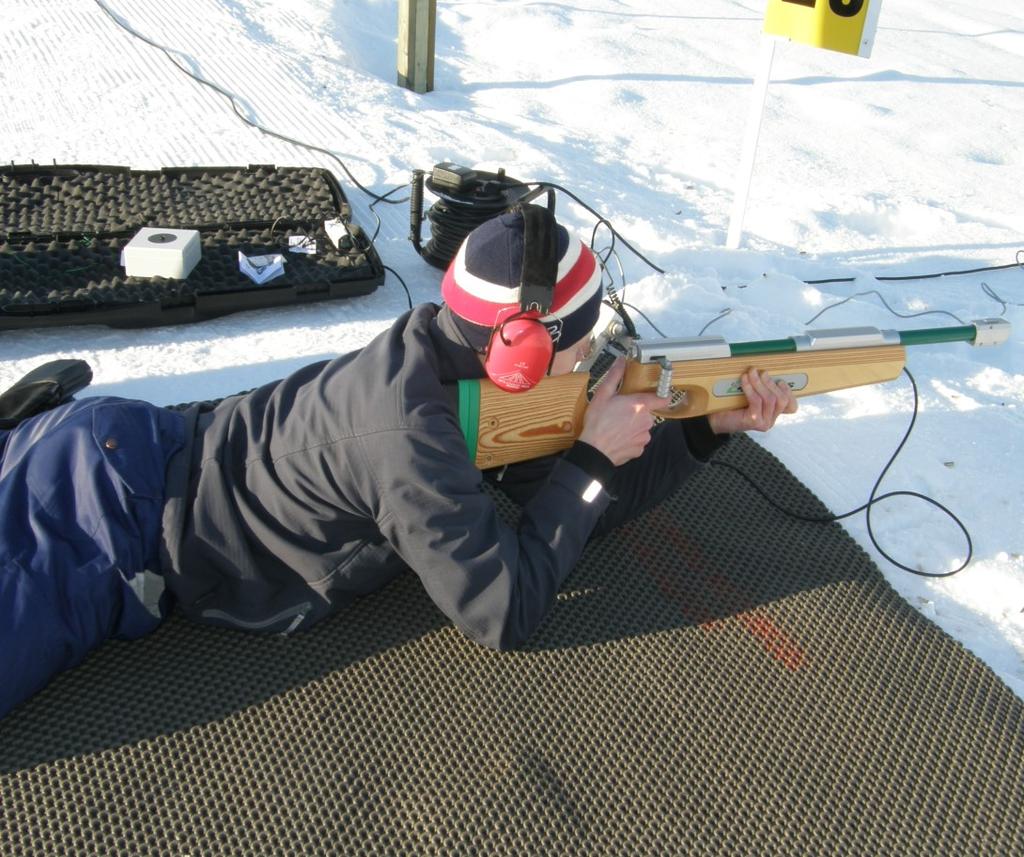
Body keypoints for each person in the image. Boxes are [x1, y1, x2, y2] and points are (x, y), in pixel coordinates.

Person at [0, 207, 796, 718]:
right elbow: (503, 611)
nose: (594, 359)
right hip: (108, 516)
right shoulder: (409, 434)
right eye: (583, 346)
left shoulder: (456, 361)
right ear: (519, 354)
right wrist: (591, 453)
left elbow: (574, 509)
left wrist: (704, 430)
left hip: (128, 445)